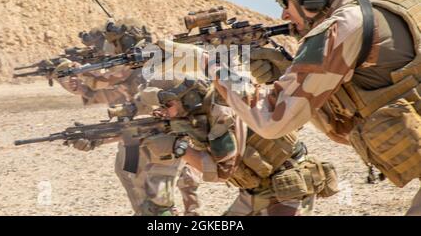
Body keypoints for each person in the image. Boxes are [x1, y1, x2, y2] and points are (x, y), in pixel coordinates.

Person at [205, 0, 421, 215]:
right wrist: (285, 72)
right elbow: (343, 130)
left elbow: (273, 121)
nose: (283, 14)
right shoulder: (380, 9)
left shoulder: (345, 25)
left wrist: (219, 67)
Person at [54, 18, 202, 215]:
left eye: (113, 46)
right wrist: (82, 88)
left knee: (140, 179)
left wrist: (80, 75)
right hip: (159, 134)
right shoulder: (147, 60)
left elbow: (131, 107)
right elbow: (113, 94)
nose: (108, 52)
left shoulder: (142, 62)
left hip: (163, 136)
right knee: (139, 173)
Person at [140, 79, 338, 216]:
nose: (164, 111)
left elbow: (222, 171)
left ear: (187, 97)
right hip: (255, 190)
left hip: (288, 187)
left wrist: (179, 148)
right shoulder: (196, 113)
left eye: (167, 105)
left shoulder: (222, 111)